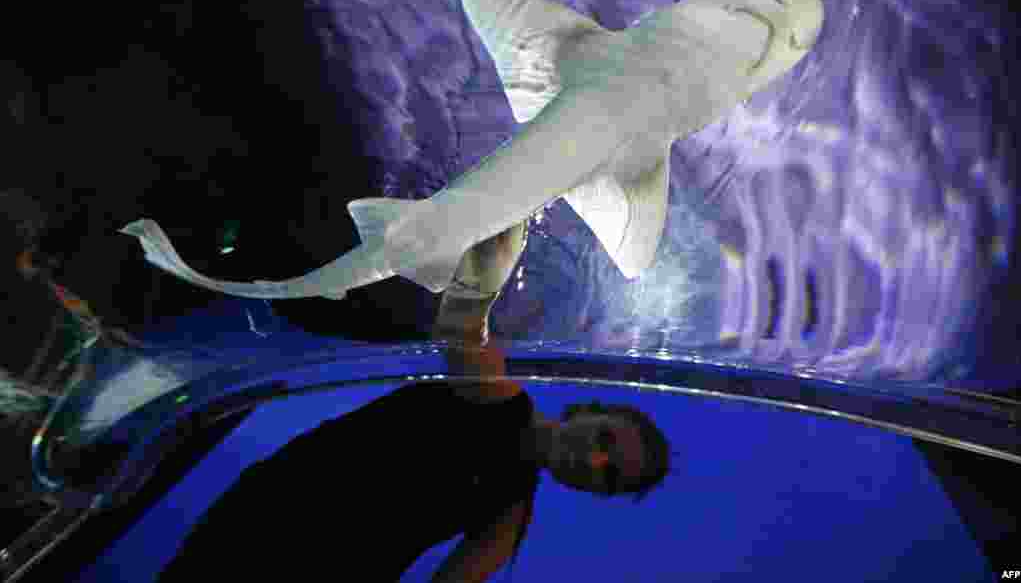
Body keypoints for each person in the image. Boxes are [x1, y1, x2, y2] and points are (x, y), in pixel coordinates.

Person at [157, 220, 671, 583]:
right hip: (256, 529)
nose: (594, 459)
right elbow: (461, 324)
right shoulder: (499, 396)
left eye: (608, 476)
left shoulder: (507, 520)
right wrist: (496, 237)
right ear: (585, 411)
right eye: (606, 440)